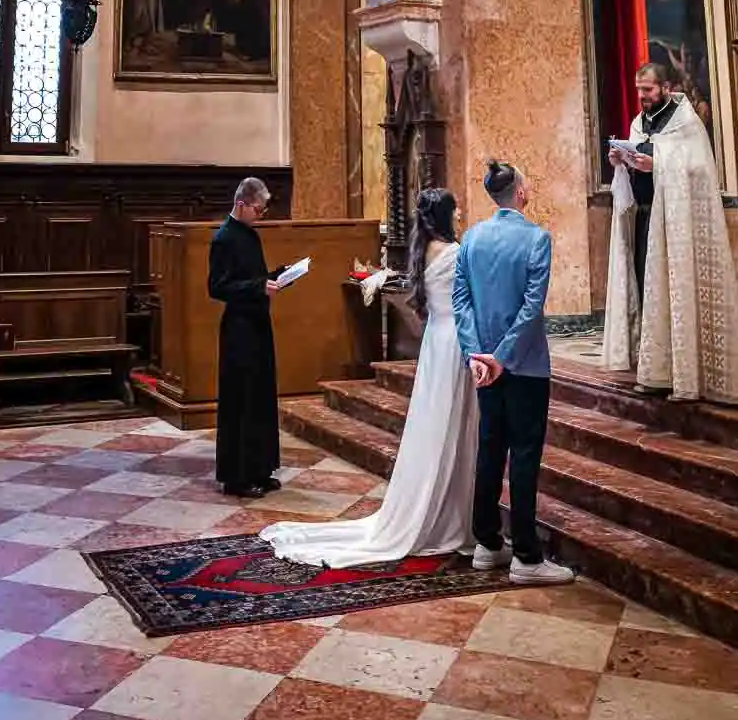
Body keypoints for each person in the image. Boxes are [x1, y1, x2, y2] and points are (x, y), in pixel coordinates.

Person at [261, 187, 478, 565]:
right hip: (455, 342)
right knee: (452, 425)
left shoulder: (422, 250)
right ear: (445, 214)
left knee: (436, 424)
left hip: (436, 343)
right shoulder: (457, 253)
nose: (460, 214)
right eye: (456, 209)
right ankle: (450, 512)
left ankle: (441, 503)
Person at [452, 160, 573, 586]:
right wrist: (502, 357)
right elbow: (531, 307)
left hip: (485, 365)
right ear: (520, 193)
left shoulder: (471, 238)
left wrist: (476, 354)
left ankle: (487, 543)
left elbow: (460, 302)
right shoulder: (536, 239)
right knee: (523, 455)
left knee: (490, 449)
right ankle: (525, 554)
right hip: (524, 367)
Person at [603, 63, 738, 404]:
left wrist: (656, 163)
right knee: (648, 292)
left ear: (666, 88)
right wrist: (622, 161)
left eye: (648, 90)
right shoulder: (639, 123)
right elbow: (640, 160)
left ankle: (682, 372)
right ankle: (655, 369)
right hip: (645, 220)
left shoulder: (685, 122)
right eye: (639, 90)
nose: (642, 97)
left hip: (677, 225)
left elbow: (698, 168)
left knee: (675, 292)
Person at [209, 176, 284, 499]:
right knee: (241, 400)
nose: (261, 215)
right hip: (238, 328)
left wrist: (277, 276)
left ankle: (260, 468)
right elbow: (217, 287)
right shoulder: (224, 238)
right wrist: (258, 287)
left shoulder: (250, 236)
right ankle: (236, 478)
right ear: (241, 204)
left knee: (260, 396)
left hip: (257, 324)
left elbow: (253, 277)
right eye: (258, 209)